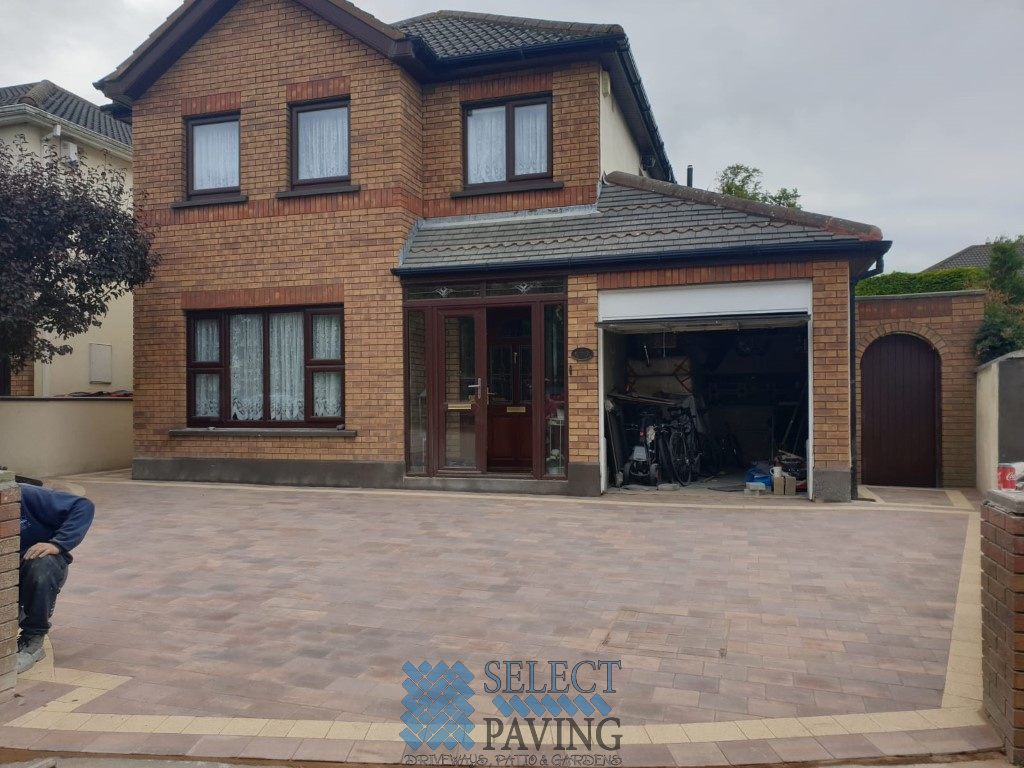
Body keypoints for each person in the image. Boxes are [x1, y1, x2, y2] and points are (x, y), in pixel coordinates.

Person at [17, 484, 94, 674]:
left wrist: (58, 544)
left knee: (42, 565)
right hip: (7, 573)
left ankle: (32, 639)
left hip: (38, 568)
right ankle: (11, 614)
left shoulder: (23, 494)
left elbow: (83, 506)